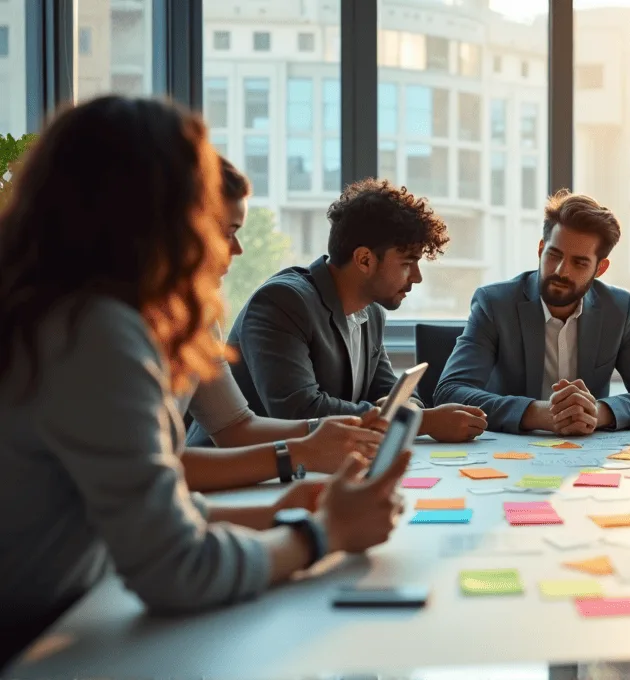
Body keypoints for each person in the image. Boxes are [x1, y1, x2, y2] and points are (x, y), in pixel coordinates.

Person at [0, 96, 409, 664]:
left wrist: (284, 509)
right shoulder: (95, 332)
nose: (230, 248)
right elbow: (176, 568)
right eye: (207, 216)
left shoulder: (60, 312)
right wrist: (322, 536)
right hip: (39, 645)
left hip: (70, 620)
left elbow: (149, 508)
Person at [213, 178, 487, 443]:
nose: (416, 277)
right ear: (364, 259)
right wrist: (421, 422)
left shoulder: (372, 312)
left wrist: (410, 409)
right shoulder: (282, 302)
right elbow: (299, 411)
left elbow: (388, 391)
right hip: (238, 476)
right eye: (407, 263)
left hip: (313, 466)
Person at [178, 158, 386, 492]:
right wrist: (301, 452)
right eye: (227, 233)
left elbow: (236, 426)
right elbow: (145, 470)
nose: (238, 249)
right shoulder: (108, 329)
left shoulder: (200, 318)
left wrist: (324, 431)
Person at [434, 190, 630, 434]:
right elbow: (450, 391)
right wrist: (536, 414)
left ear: (600, 268)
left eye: (579, 263)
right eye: (554, 255)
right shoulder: (495, 304)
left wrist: (597, 411)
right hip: (508, 451)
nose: (562, 271)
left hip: (585, 453)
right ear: (541, 249)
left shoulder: (619, 308)